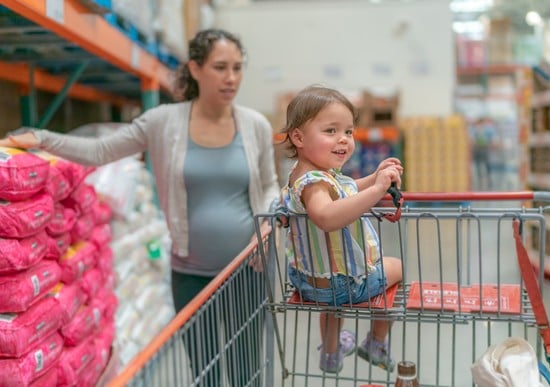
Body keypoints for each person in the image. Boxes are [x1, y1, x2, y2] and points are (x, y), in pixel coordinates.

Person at [0, 28, 279, 387]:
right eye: (220, 67)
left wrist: (268, 224)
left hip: (247, 270)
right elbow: (102, 151)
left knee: (247, 369)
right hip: (191, 275)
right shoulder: (164, 121)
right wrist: (42, 138)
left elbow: (270, 183)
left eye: (238, 68)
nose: (231, 78)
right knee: (204, 370)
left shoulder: (254, 125)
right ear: (195, 69)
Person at [278, 85, 403, 374]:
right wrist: (380, 189)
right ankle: (376, 342)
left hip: (309, 278)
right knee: (397, 267)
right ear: (298, 136)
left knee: (334, 302)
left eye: (348, 131)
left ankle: (331, 354)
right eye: (331, 131)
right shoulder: (315, 184)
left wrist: (374, 177)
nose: (343, 140)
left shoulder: (309, 174)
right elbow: (326, 216)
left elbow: (344, 190)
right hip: (342, 283)